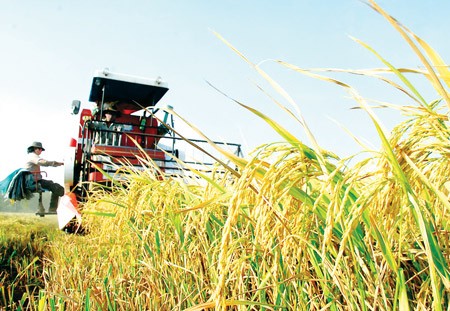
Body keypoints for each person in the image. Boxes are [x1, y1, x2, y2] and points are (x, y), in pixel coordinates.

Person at [24, 141, 65, 213]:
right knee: (57, 187)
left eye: (41, 150)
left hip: (33, 180)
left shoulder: (31, 156)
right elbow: (43, 162)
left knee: (53, 185)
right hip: (33, 182)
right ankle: (52, 209)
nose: (41, 151)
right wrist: (58, 163)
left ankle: (50, 209)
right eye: (40, 149)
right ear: (35, 149)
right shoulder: (33, 156)